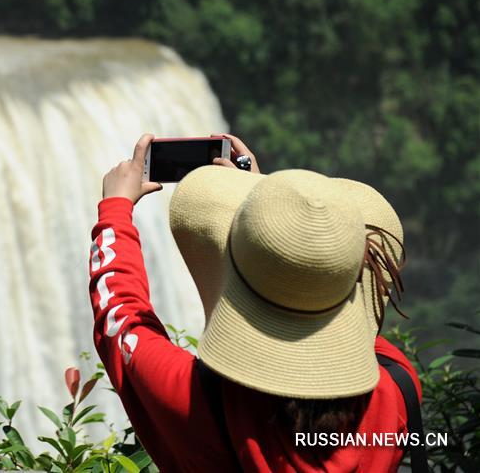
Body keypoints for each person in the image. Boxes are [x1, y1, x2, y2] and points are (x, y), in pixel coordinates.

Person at [89, 133, 420, 472]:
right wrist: (279, 221)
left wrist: (116, 208)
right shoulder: (398, 389)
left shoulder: (197, 403)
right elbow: (335, 310)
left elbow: (120, 317)